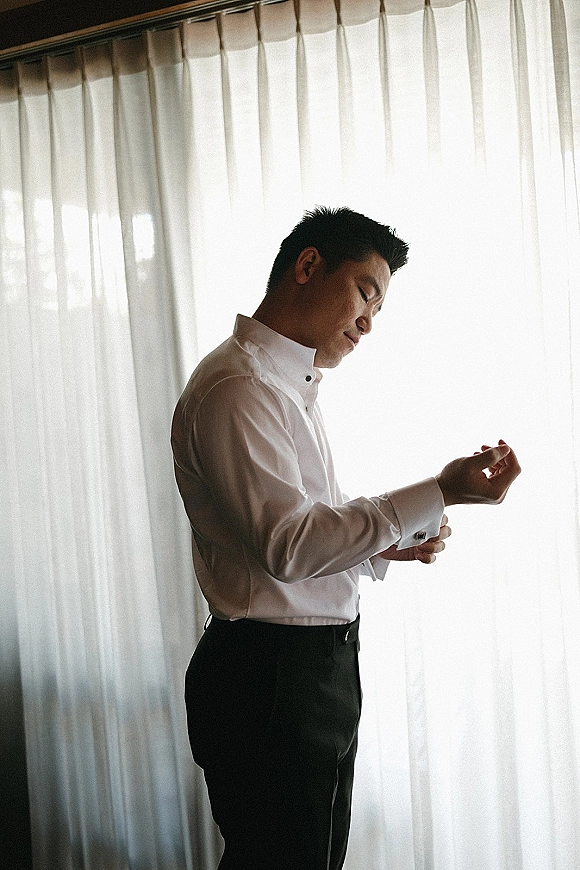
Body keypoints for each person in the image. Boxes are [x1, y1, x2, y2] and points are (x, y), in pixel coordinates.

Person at [171, 206, 520, 870]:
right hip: (272, 675)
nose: (368, 321)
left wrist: (384, 544)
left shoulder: (285, 385)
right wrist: (439, 490)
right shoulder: (241, 387)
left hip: (308, 670)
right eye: (366, 292)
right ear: (308, 265)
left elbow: (296, 533)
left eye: (379, 310)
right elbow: (288, 545)